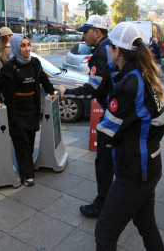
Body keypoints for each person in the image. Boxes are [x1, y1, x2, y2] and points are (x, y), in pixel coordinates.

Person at [94, 22, 164, 250]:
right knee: (146, 225)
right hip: (149, 164)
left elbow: (107, 130)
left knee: (104, 233)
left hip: (135, 170)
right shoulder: (146, 75)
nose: (107, 50)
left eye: (110, 46)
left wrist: (104, 99)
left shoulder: (129, 84)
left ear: (117, 51)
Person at [59, 15, 117, 218]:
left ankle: (102, 204)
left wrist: (68, 92)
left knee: (104, 161)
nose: (83, 36)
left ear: (97, 32)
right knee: (116, 159)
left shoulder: (102, 52)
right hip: (120, 110)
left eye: (86, 31)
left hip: (114, 113)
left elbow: (92, 88)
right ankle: (117, 198)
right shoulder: (110, 47)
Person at [0, 34, 56, 186]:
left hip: (32, 109)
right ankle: (27, 174)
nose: (27, 48)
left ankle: (26, 166)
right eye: (23, 46)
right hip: (16, 111)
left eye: (28, 45)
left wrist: (51, 92)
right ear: (15, 47)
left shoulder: (35, 63)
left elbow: (44, 79)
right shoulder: (10, 66)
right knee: (21, 142)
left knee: (30, 140)